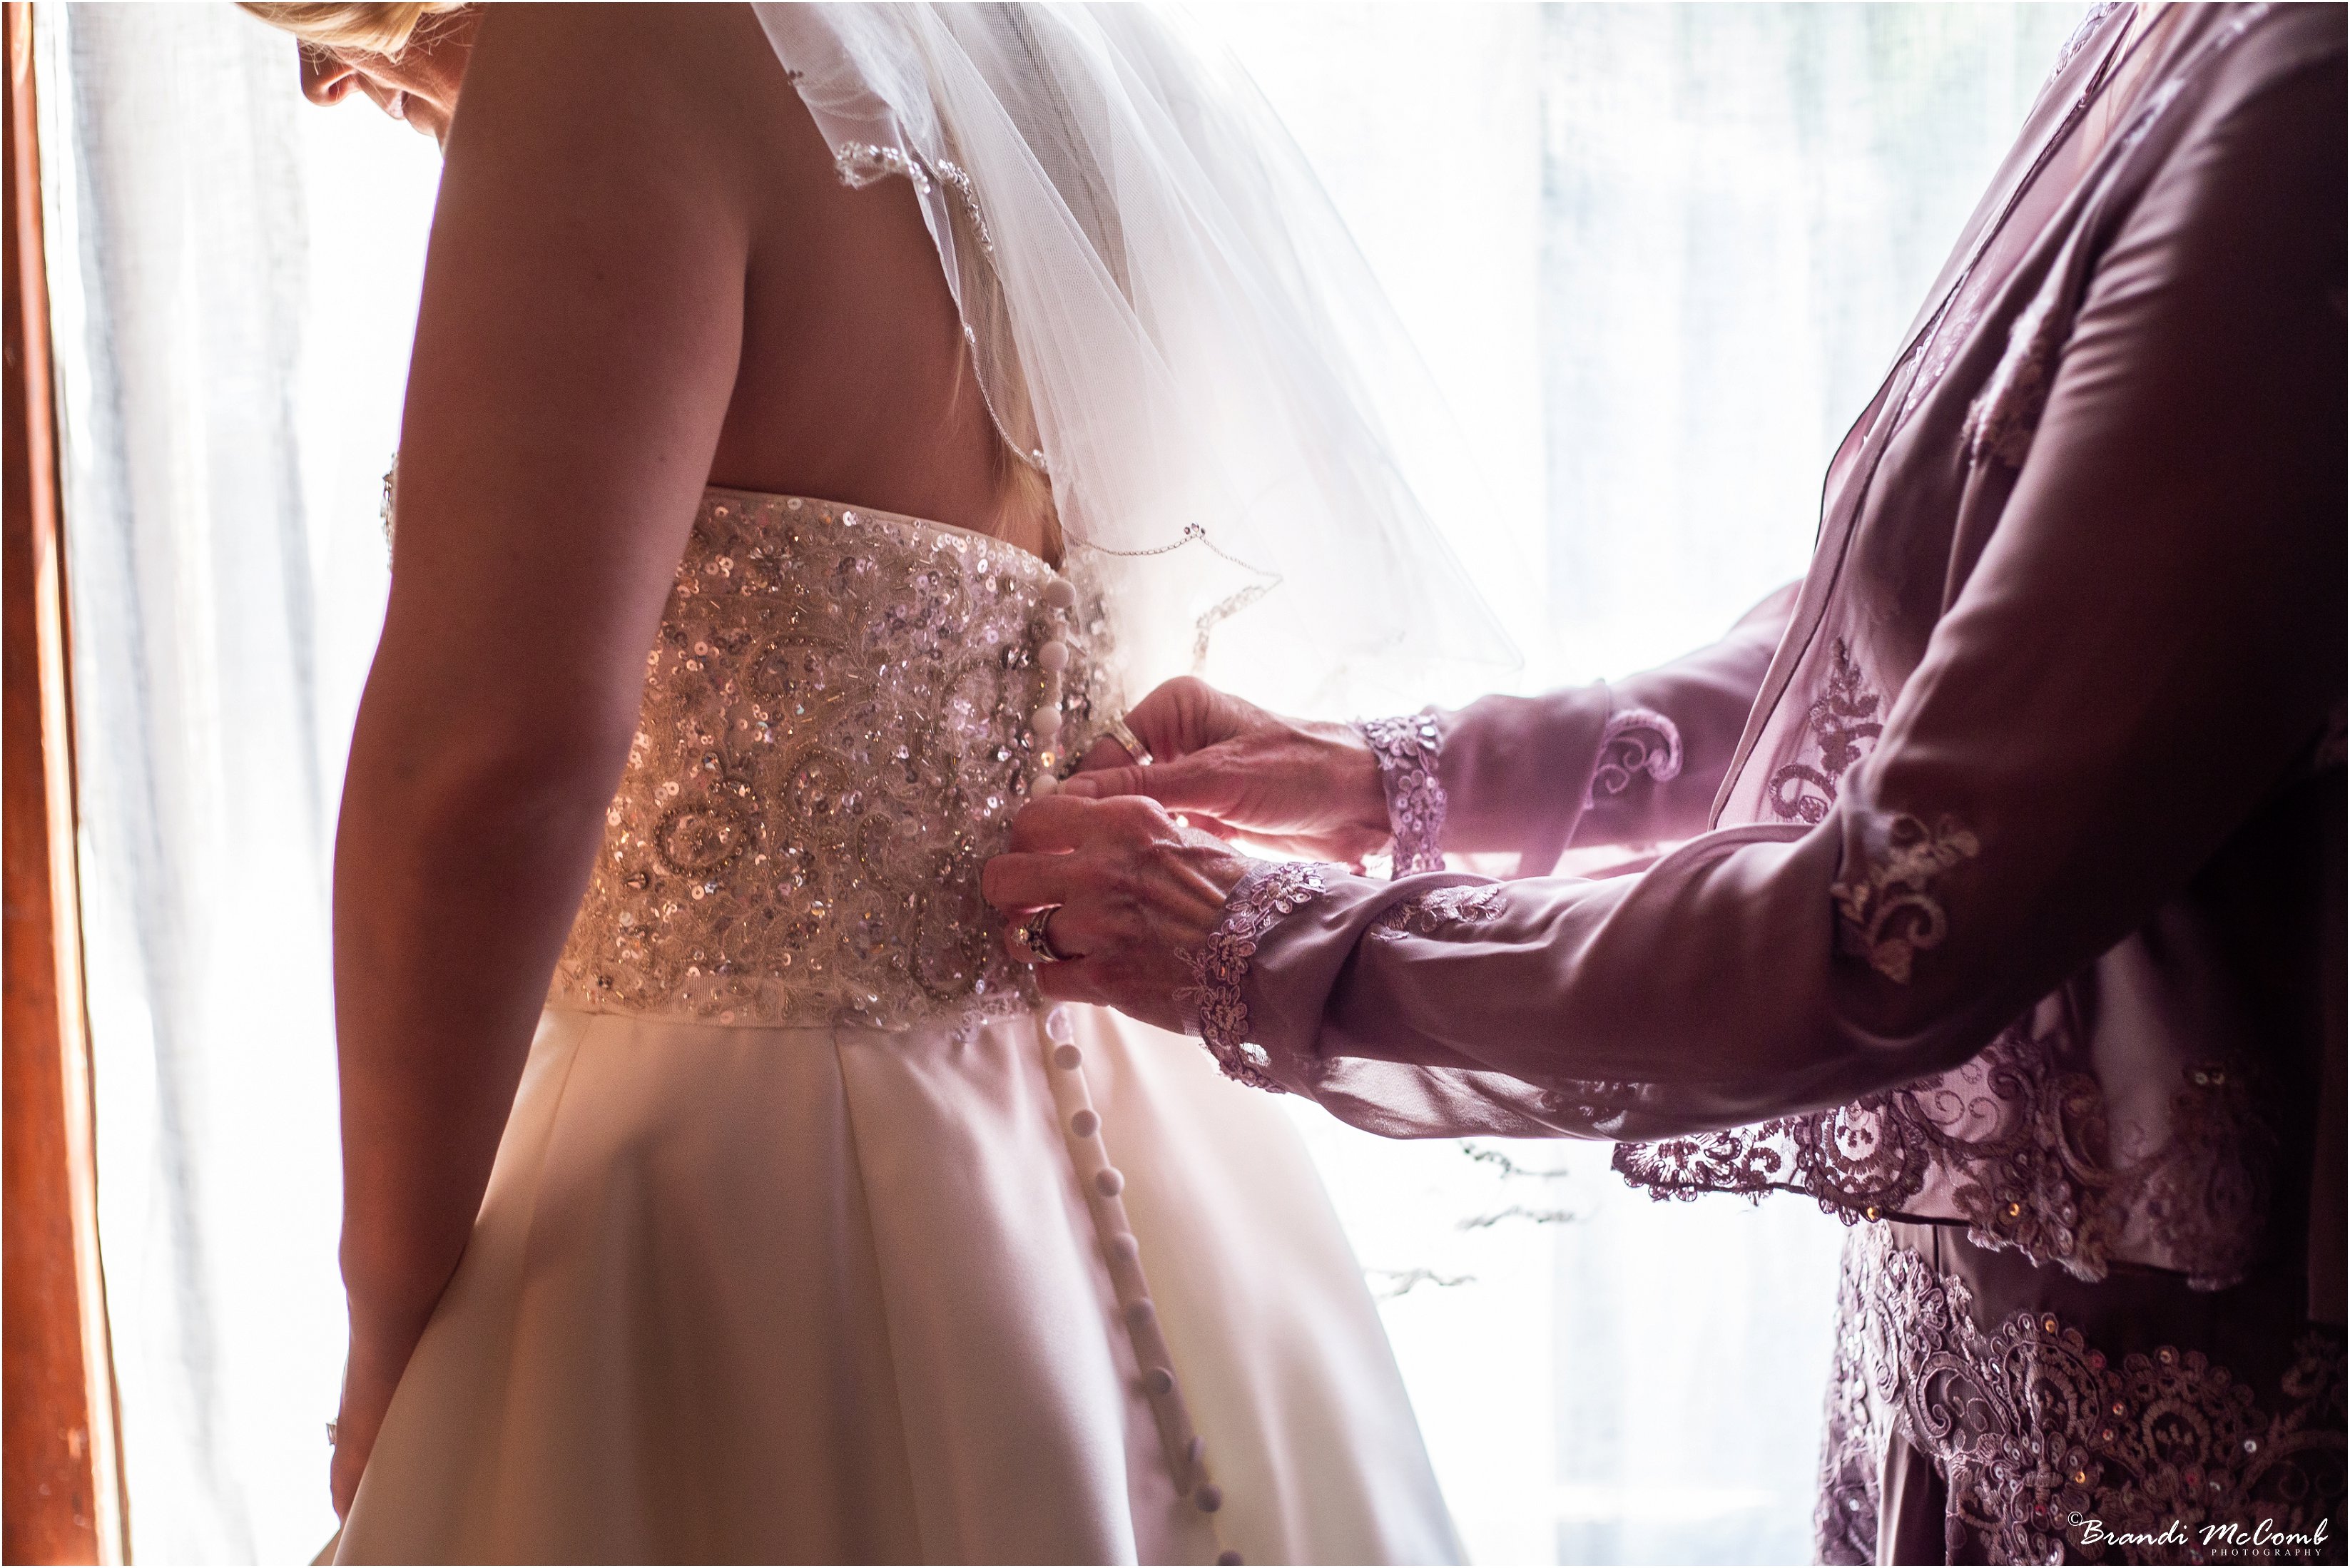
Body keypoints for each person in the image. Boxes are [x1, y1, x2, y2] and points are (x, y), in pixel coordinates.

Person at [985, 4, 2347, 1559]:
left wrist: (1278, 944)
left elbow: (1891, 924)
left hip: (2181, 1440)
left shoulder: (2307, 99)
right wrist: (1398, 777)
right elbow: (1923, 622)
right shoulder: (2177, 34)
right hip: (1983, 1370)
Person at [251, 2, 1484, 1560]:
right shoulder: (1000, 41)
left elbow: (488, 764)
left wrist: (391, 1321)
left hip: (738, 1213)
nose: (316, 71)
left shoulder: (613, 38)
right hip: (1113, 1171)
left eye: (312, 6)